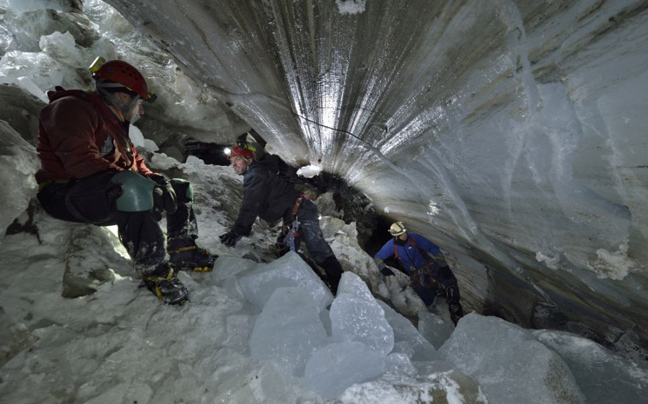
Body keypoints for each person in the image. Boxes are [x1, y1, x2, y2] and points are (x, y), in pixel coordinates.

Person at [35, 57, 217, 305]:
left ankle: (183, 248)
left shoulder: (116, 128)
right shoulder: (71, 107)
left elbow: (137, 165)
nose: (140, 110)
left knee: (179, 186)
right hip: (64, 193)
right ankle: (155, 270)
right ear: (123, 97)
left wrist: (156, 180)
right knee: (131, 185)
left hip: (100, 191)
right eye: (139, 102)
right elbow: (79, 161)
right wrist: (139, 182)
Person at [219, 143, 344, 294]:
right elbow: (274, 160)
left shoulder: (255, 175)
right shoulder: (263, 169)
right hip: (295, 214)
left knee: (317, 249)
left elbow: (250, 205)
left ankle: (340, 285)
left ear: (248, 159)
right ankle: (323, 282)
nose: (234, 165)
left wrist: (237, 231)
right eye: (232, 162)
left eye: (237, 160)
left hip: (301, 211)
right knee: (286, 250)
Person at [374, 222, 464, 324]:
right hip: (415, 273)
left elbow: (433, 248)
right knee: (424, 296)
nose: (404, 235)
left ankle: (454, 307)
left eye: (404, 233)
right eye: (401, 235)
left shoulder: (414, 238)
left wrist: (443, 265)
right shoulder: (391, 245)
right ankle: (435, 298)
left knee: (449, 280)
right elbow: (378, 257)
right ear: (395, 236)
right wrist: (382, 268)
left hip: (428, 265)